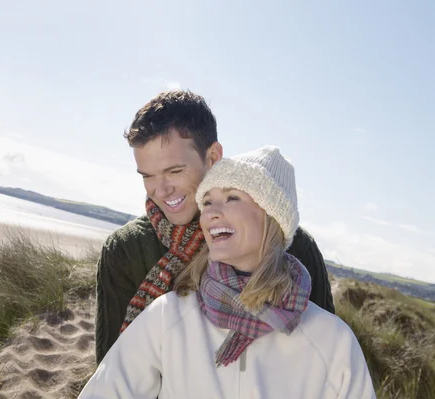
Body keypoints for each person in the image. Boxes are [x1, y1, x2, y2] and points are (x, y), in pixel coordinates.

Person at [80, 146, 375, 399]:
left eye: (232, 198)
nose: (210, 213)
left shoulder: (331, 340)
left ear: (272, 217)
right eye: (207, 202)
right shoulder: (169, 317)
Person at [95, 90, 334, 364]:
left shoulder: (291, 245)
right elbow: (111, 367)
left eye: (175, 171)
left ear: (213, 157)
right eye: (148, 176)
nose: (161, 190)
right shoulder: (125, 250)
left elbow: (323, 357)